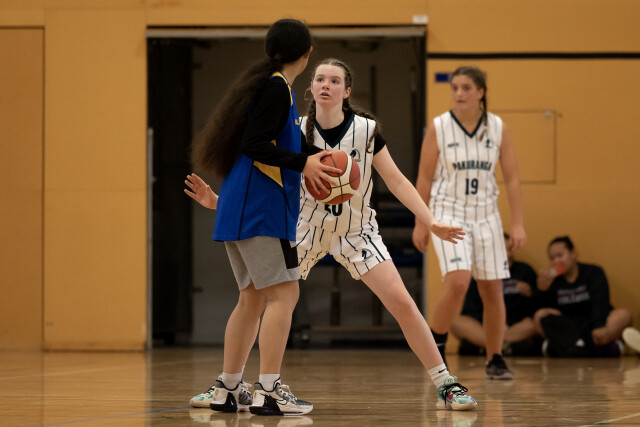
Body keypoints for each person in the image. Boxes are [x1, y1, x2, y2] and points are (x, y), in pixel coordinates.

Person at [188, 57, 478, 411]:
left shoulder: (367, 131)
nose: (326, 85)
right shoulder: (295, 130)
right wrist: (220, 203)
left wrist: (430, 221)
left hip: (357, 231)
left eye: (334, 80)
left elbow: (397, 180)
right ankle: (228, 383)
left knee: (401, 301)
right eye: (320, 79)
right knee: (255, 301)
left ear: (347, 90)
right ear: (311, 88)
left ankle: (446, 384)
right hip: (305, 230)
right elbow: (263, 182)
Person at [185, 18, 341, 416]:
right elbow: (256, 145)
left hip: (239, 209)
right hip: (262, 211)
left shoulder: (272, 87)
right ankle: (269, 391)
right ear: (307, 54)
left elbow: (276, 145)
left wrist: (314, 157)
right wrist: (305, 164)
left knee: (251, 298)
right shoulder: (276, 88)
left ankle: (228, 389)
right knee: (285, 294)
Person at [412, 66, 526, 380]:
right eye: (455, 87)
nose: (459, 93)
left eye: (466, 88)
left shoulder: (498, 127)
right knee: (459, 282)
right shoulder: (439, 127)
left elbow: (512, 179)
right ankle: (437, 344)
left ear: (481, 92)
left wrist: (518, 224)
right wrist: (421, 222)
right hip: (448, 212)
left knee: (492, 289)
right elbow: (424, 178)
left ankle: (496, 358)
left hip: (486, 214)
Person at [533, 236, 632, 357]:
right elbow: (545, 311)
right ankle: (602, 349)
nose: (556, 261)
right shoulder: (551, 280)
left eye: (560, 255)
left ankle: (571, 349)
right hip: (568, 329)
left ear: (573, 253)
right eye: (552, 258)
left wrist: (598, 325)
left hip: (594, 324)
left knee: (624, 315)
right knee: (539, 316)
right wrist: (542, 290)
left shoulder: (593, 272)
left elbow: (600, 302)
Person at [451, 232, 541, 356]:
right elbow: (469, 312)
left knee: (533, 323)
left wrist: (531, 293)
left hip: (515, 326)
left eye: (509, 249)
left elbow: (536, 307)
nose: (507, 254)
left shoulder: (525, 271)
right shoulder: (480, 275)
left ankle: (491, 348)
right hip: (486, 327)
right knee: (454, 321)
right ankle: (501, 347)